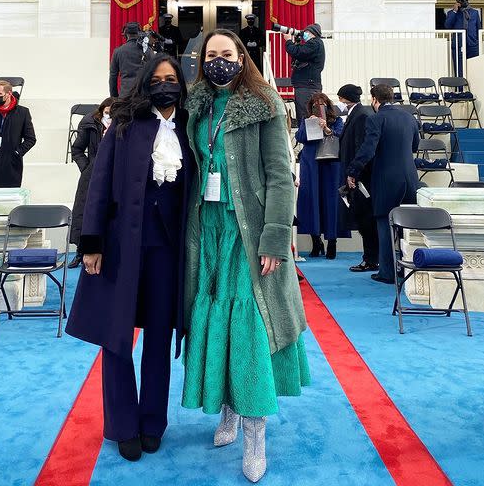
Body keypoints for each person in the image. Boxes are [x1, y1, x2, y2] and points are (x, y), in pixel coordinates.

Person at [182, 29, 309, 484]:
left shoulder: (266, 103)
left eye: (227, 54)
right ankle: (229, 411)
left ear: (242, 57)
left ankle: (255, 432)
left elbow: (280, 174)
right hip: (208, 232)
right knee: (218, 324)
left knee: (250, 328)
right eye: (210, 54)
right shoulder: (194, 106)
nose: (218, 61)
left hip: (249, 234)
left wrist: (276, 238)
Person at [66, 55, 193, 461]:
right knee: (115, 336)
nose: (164, 85)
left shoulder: (191, 128)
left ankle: (153, 420)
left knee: (160, 335)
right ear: (144, 84)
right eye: (156, 79)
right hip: (121, 247)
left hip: (169, 251)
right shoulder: (123, 126)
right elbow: (98, 185)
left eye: (171, 79)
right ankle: (122, 425)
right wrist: (91, 242)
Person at [347, 84, 420, 284]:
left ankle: (386, 272)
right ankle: (408, 270)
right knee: (408, 226)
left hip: (387, 180)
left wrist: (353, 171)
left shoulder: (376, 118)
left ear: (374, 99)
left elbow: (368, 149)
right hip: (411, 178)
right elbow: (415, 145)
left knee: (385, 224)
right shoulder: (409, 117)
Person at [295, 92, 345, 259]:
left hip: (330, 164)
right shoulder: (306, 120)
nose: (319, 107)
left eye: (322, 104)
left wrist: (326, 128)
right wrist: (312, 124)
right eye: (315, 104)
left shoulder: (337, 120)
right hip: (311, 165)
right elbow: (300, 137)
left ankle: (332, 242)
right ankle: (316, 241)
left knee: (331, 202)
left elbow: (340, 135)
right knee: (311, 201)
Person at [68, 98, 115, 269]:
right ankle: (80, 252)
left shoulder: (121, 125)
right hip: (90, 175)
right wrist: (86, 167)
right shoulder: (90, 123)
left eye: (112, 113)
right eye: (107, 112)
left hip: (113, 174)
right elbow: (77, 149)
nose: (108, 115)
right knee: (84, 212)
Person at [337, 84, 378, 273]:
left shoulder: (361, 115)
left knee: (365, 220)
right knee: (363, 219)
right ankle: (370, 258)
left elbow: (361, 147)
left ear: (345, 98)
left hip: (360, 178)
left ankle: (370, 259)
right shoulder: (358, 113)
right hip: (356, 174)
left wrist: (354, 173)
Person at [284, 24, 326, 122]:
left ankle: (306, 136)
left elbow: (298, 53)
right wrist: (296, 43)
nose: (304, 34)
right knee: (306, 114)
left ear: (312, 33)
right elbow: (299, 55)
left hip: (307, 86)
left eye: (306, 32)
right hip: (307, 84)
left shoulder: (314, 43)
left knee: (306, 115)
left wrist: (289, 41)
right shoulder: (314, 44)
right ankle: (306, 135)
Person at [109, 22, 154, 98]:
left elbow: (113, 78)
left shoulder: (118, 51)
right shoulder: (147, 50)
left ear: (125, 34)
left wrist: (114, 98)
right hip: (143, 96)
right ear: (139, 33)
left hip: (125, 95)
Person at [444, 0, 481, 76]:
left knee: (474, 69)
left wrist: (476, 41)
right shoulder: (452, 13)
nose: (465, 2)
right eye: (462, 0)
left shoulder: (474, 12)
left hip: (472, 45)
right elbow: (447, 25)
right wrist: (455, 11)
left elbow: (478, 28)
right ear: (458, 2)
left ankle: (473, 88)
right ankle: (459, 88)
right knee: (459, 70)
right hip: (458, 45)